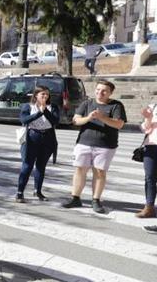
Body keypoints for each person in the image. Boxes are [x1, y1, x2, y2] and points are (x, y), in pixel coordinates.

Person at [62, 80, 126, 214]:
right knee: (80, 170)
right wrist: (89, 118)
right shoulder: (87, 103)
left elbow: (119, 124)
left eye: (104, 91)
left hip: (106, 145)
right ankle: (75, 198)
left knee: (100, 172)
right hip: (84, 143)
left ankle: (96, 200)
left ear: (110, 93)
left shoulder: (116, 105)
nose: (100, 93)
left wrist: (102, 118)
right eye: (98, 90)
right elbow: (76, 120)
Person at [16, 86, 59, 203]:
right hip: (32, 137)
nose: (45, 96)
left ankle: (37, 191)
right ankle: (20, 192)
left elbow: (55, 121)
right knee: (27, 165)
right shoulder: (28, 106)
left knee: (41, 166)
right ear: (36, 96)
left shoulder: (52, 107)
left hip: (48, 138)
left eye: (47, 94)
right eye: (42, 94)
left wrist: (45, 110)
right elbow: (24, 120)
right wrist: (39, 113)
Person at [137, 103, 157, 218]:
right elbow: (144, 129)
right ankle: (149, 207)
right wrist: (148, 117)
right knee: (149, 177)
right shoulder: (153, 106)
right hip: (151, 146)